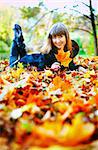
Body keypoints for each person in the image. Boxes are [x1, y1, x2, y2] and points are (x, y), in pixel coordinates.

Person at [10, 23, 85, 72]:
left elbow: (71, 66)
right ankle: (17, 39)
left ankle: (19, 41)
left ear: (66, 37)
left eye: (61, 36)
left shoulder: (69, 51)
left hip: (30, 57)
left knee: (23, 53)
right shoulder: (47, 53)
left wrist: (79, 68)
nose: (57, 41)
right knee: (12, 65)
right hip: (26, 61)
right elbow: (40, 68)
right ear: (51, 39)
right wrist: (50, 67)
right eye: (54, 37)